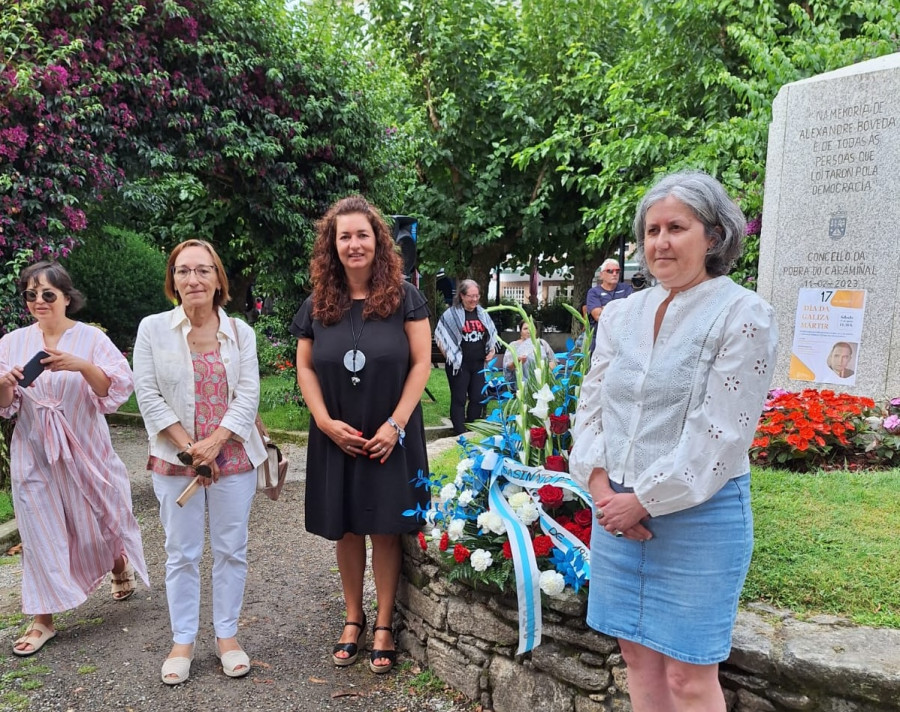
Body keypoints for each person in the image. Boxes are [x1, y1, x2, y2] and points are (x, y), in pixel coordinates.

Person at [570, 170, 778, 712]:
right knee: (637, 660)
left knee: (689, 676)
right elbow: (592, 404)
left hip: (699, 517)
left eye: (677, 228)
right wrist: (599, 488)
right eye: (652, 229)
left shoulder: (742, 313)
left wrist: (642, 499)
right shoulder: (619, 314)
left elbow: (722, 432)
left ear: (713, 236)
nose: (660, 241)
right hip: (613, 506)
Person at [290, 195, 431, 674]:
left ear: (379, 242)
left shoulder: (405, 298)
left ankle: (386, 623)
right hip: (336, 432)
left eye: (362, 235)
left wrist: (395, 425)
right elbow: (304, 367)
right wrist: (325, 422)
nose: (354, 244)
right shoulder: (317, 304)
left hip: (391, 430)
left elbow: (421, 364)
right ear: (333, 244)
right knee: (346, 527)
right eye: (344, 236)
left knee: (386, 529)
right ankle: (354, 617)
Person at [133, 239, 267, 685]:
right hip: (176, 460)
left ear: (218, 279)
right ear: (173, 279)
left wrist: (217, 442)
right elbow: (147, 394)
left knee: (231, 549)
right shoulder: (153, 329)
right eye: (183, 271)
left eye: (203, 270)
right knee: (181, 553)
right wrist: (190, 447)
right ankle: (183, 641)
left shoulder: (240, 332)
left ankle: (227, 636)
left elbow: (248, 394)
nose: (193, 279)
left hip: (232, 457)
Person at [0, 261, 148, 657]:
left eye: (48, 294)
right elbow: (5, 408)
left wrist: (80, 364)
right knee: (39, 532)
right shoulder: (12, 342)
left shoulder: (91, 339)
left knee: (99, 520)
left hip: (85, 447)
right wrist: (4, 383)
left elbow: (111, 393)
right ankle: (42, 619)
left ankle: (117, 562)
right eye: (31, 295)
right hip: (34, 452)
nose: (38, 302)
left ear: (67, 297)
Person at [434, 279, 498, 435]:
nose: (474, 299)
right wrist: (451, 356)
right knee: (459, 399)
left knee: (478, 397)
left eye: (477, 296)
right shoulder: (451, 314)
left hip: (478, 364)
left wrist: (491, 350)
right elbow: (440, 336)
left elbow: (492, 335)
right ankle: (459, 432)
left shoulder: (482, 313)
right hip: (459, 365)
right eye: (471, 296)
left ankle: (472, 430)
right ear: (462, 296)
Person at [586, 258, 633, 353]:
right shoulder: (594, 292)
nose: (614, 274)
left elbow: (632, 311)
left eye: (617, 271)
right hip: (600, 340)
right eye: (610, 271)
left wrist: (605, 308)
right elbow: (599, 316)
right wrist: (621, 308)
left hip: (623, 339)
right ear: (602, 275)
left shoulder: (626, 288)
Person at [502, 321, 557, 386]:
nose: (529, 331)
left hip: (542, 384)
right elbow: (507, 368)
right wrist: (517, 362)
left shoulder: (542, 343)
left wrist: (545, 371)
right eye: (525, 329)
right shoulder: (513, 345)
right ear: (520, 332)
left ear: (536, 331)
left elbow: (553, 360)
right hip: (521, 387)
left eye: (532, 328)